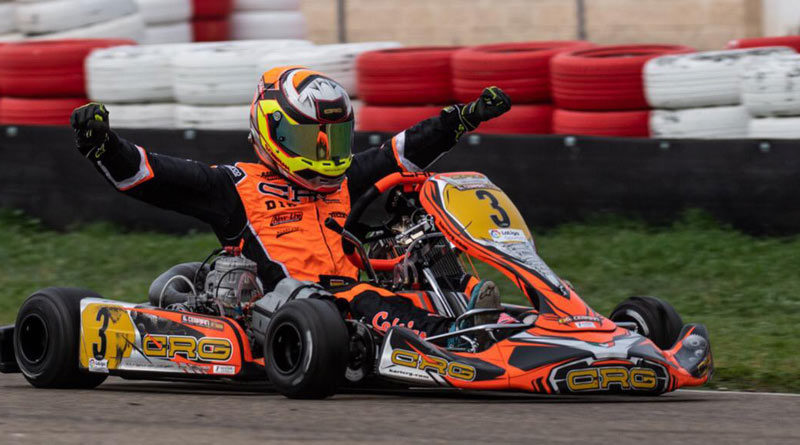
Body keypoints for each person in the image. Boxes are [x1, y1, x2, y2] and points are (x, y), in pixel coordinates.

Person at [70, 66, 511, 337]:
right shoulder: (232, 186)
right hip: (290, 305)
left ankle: (494, 322)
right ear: (273, 132)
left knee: (431, 270)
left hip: (356, 299)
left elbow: (400, 152)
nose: (325, 153)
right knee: (364, 299)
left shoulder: (343, 180)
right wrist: (104, 144)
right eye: (311, 140)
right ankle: (453, 339)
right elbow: (147, 173)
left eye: (333, 139)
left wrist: (459, 119)